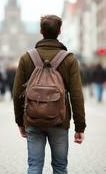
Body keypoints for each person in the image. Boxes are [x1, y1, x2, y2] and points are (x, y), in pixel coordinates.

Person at [13, 15, 86, 174]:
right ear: (59, 31)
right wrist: (79, 127)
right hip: (59, 121)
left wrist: (20, 122)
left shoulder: (27, 58)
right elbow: (76, 95)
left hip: (32, 119)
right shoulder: (69, 59)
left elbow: (17, 92)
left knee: (34, 166)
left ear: (41, 31)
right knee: (60, 167)